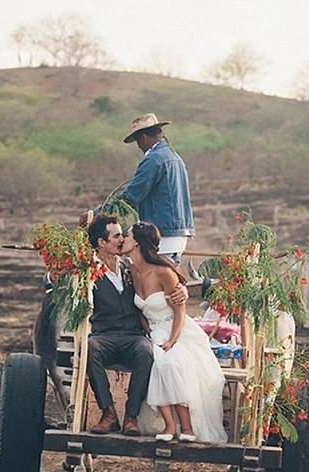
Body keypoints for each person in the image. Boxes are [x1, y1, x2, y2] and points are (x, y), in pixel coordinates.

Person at [120, 221, 227, 444]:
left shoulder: (163, 272)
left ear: (137, 243)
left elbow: (180, 310)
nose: (123, 239)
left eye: (127, 235)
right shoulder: (130, 272)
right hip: (153, 331)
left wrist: (172, 339)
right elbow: (139, 308)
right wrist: (147, 329)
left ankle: (186, 426)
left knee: (171, 363)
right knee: (156, 362)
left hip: (176, 328)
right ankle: (169, 426)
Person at [86, 214, 187, 436]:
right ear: (102, 243)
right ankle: (109, 413)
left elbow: (163, 280)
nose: (122, 240)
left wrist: (182, 291)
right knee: (90, 348)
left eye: (123, 235)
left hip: (134, 335)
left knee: (145, 350)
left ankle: (131, 417)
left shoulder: (130, 268)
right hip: (104, 335)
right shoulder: (87, 272)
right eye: (116, 236)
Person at [119, 113, 195, 265]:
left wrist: (96, 213)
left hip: (163, 234)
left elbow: (132, 195)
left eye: (138, 141)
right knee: (168, 280)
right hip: (178, 233)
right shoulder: (174, 156)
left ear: (144, 138)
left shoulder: (154, 159)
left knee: (157, 282)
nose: (139, 146)